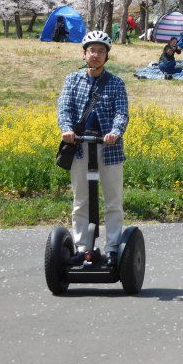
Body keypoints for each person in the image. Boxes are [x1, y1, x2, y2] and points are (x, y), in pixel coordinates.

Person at [57, 30, 129, 267]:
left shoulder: (117, 83)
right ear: (84, 54)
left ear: (106, 56)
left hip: (108, 148)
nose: (96, 55)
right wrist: (67, 129)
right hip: (79, 147)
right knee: (81, 201)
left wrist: (115, 132)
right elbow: (64, 108)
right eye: (92, 51)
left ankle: (112, 249)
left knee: (113, 200)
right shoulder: (72, 79)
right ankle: (82, 248)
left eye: (101, 51)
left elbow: (122, 113)